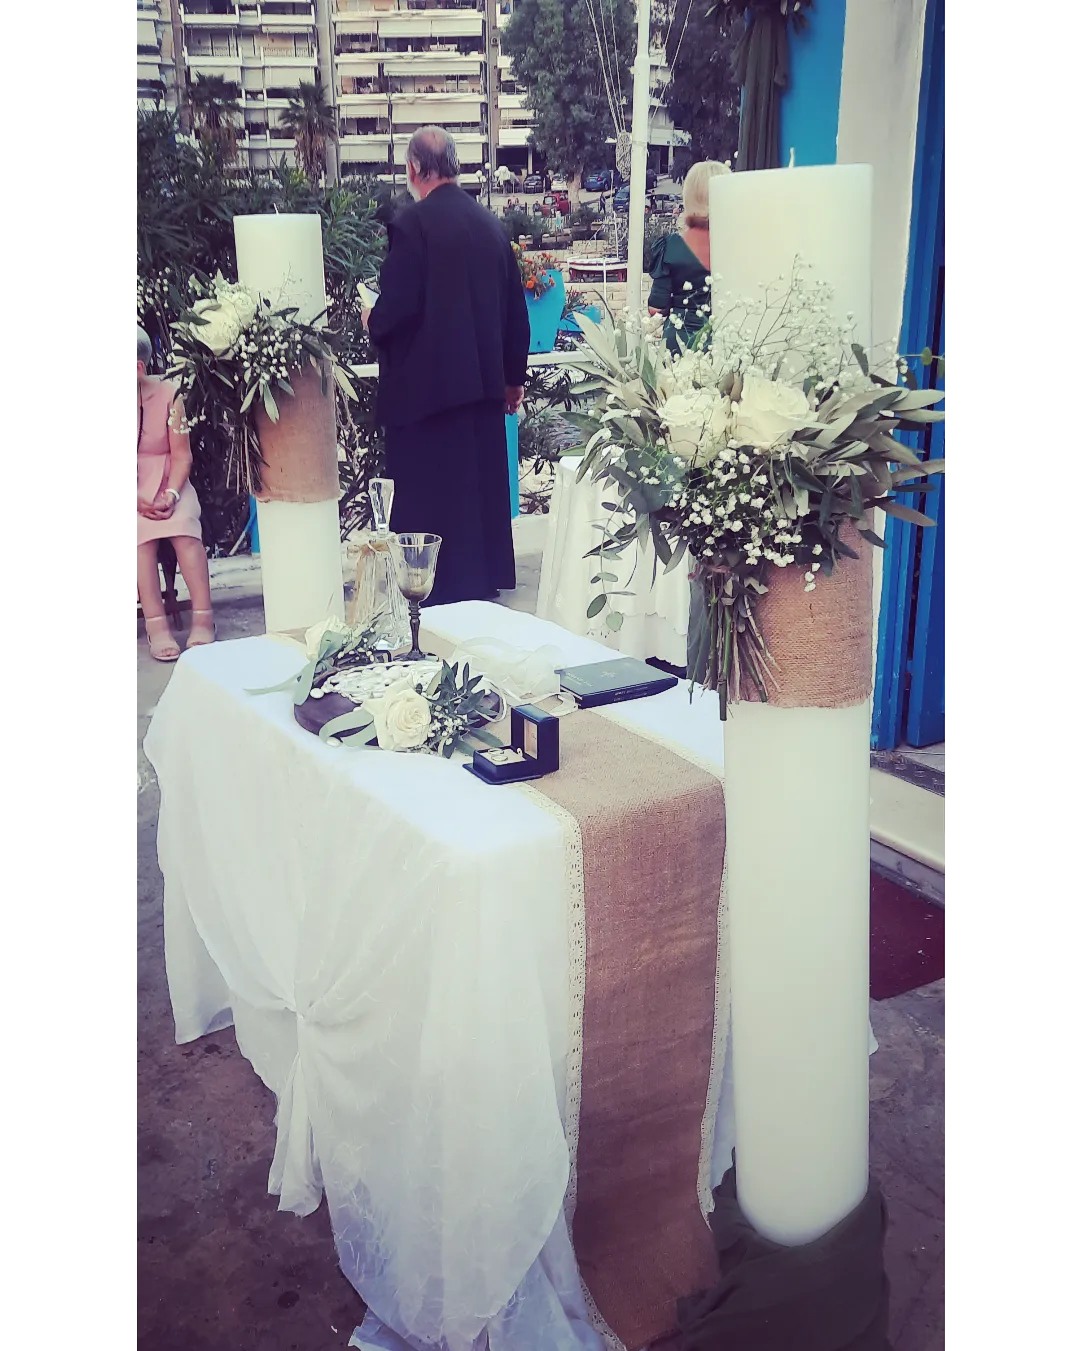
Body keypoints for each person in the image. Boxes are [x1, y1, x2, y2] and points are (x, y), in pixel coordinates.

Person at [362, 126, 530, 605]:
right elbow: (514, 311)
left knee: (429, 496)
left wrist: (373, 318)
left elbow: (397, 308)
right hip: (482, 392)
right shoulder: (490, 225)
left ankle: (432, 587)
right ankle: (481, 578)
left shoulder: (412, 226)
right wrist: (512, 379)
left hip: (426, 396)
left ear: (414, 168)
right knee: (476, 493)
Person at [137, 326, 215, 660]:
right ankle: (156, 626)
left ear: (138, 368)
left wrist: (170, 493)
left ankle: (204, 618)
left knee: (185, 532)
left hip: (171, 481)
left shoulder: (170, 395)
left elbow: (182, 455)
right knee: (139, 539)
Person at [647, 159, 730, 356]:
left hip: (679, 341)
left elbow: (655, 308)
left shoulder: (670, 246)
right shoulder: (739, 246)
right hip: (726, 342)